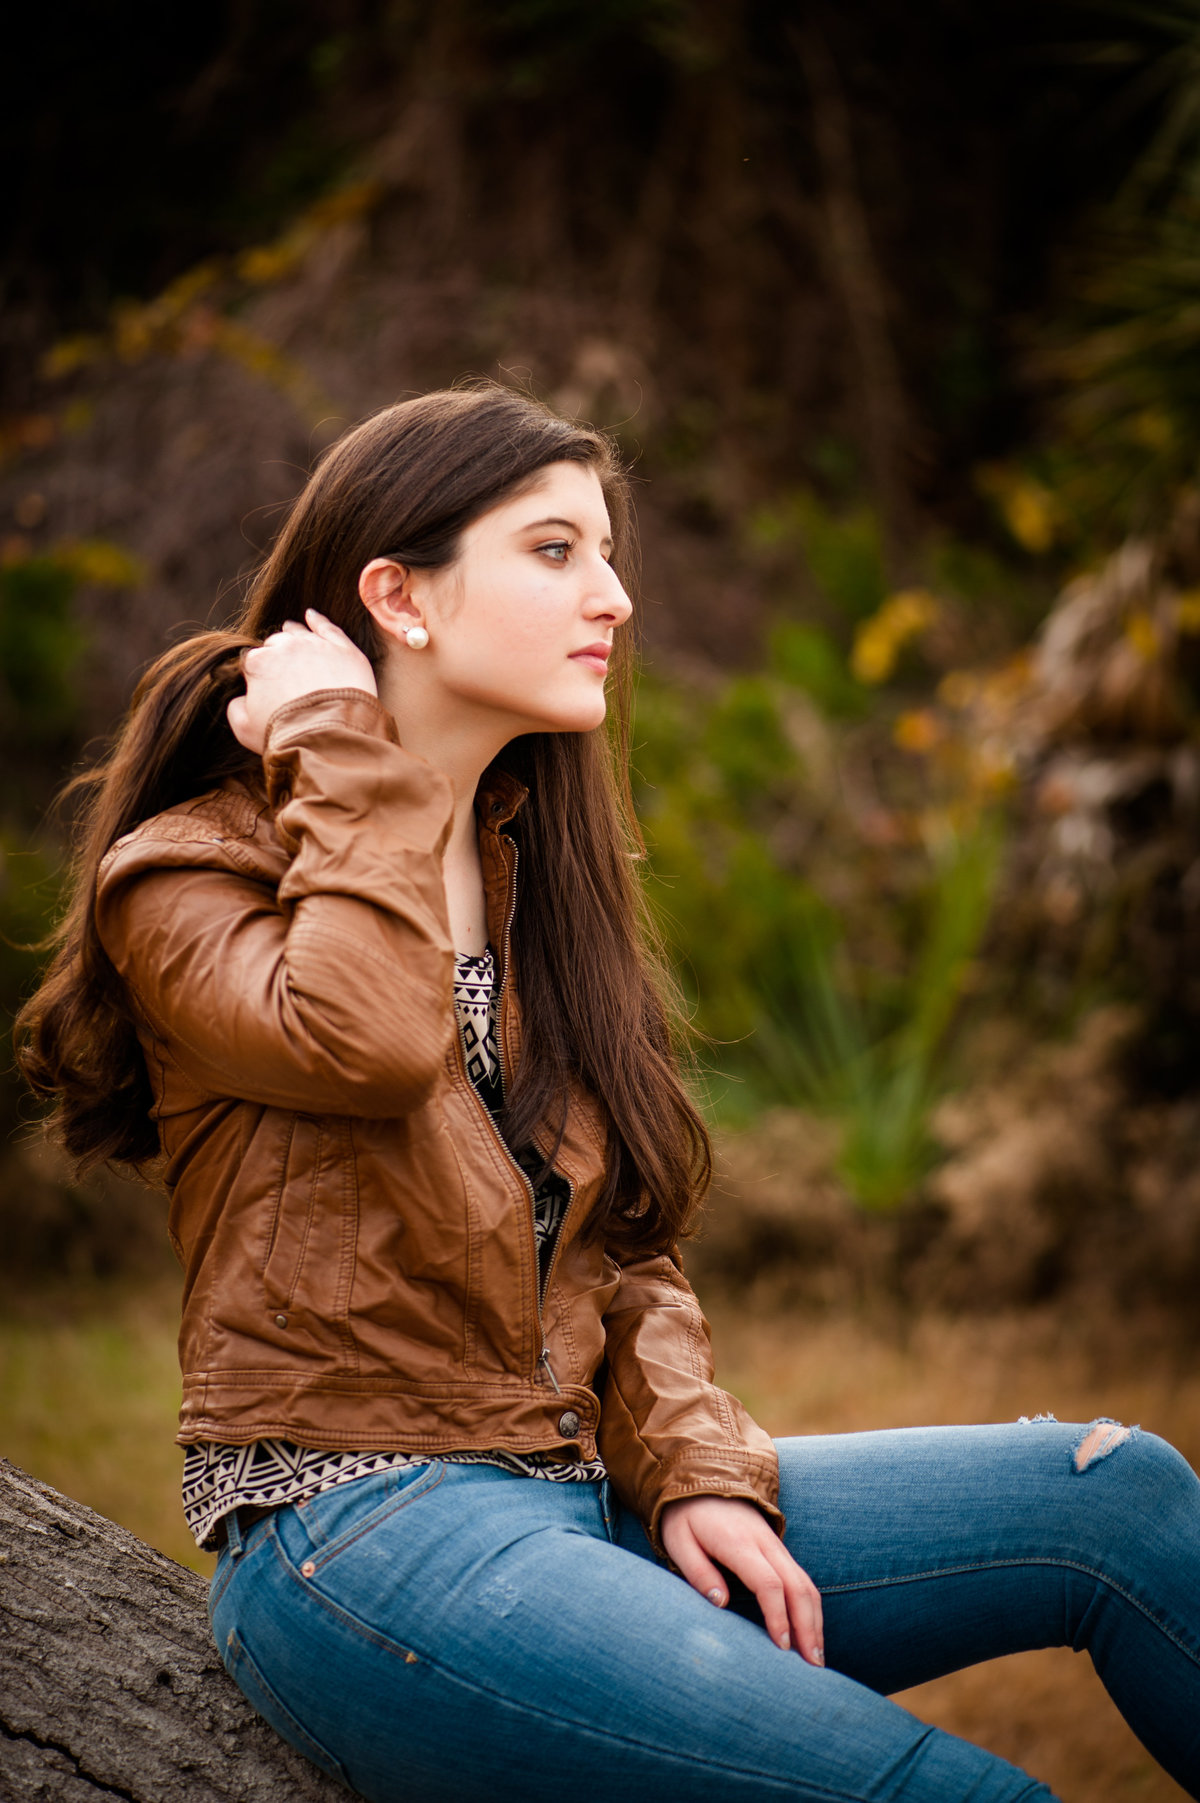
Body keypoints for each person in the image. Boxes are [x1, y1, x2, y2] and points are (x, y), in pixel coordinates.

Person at [16, 383, 1200, 1803]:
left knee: (1119, 1502)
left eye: (608, 550)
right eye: (557, 551)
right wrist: (338, 741)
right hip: (363, 1533)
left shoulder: (531, 877)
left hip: (580, 1489)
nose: (618, 598)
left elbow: (617, 1243)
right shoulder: (196, 873)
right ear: (401, 596)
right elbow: (376, 1040)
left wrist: (692, 1463)